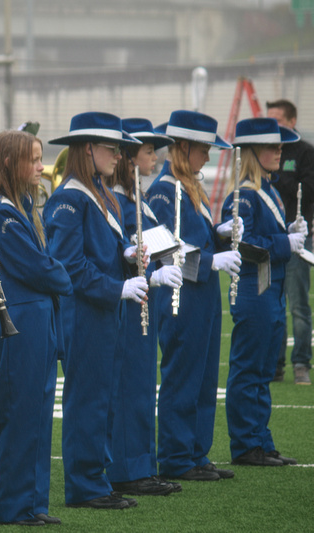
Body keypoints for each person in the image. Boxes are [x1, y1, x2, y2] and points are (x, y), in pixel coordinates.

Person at [43, 111, 148, 510]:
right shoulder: (70, 197)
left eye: (121, 149)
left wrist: (126, 256)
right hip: (84, 315)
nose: (119, 156)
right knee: (87, 398)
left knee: (103, 396)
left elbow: (97, 253)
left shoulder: (101, 193)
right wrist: (119, 285)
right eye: (112, 148)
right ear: (87, 149)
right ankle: (84, 485)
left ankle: (96, 477)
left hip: (104, 312)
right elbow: (68, 266)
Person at [0, 129, 72, 526]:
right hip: (21, 322)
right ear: (8, 163)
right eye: (33, 159)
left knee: (37, 413)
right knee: (20, 416)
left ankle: (33, 503)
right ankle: (13, 506)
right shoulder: (1, 211)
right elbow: (39, 268)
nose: (40, 166)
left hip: (37, 319)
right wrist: (62, 276)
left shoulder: (20, 206)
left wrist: (55, 274)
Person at [146, 110, 241, 482]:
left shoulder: (190, 187)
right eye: (203, 149)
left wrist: (219, 233)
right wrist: (210, 260)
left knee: (203, 377)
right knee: (183, 374)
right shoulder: (165, 189)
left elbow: (194, 236)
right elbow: (164, 248)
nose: (208, 156)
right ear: (182, 147)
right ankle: (176, 456)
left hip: (203, 294)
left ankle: (196, 452)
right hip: (181, 294)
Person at [105, 118, 183, 497]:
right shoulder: (118, 200)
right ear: (129, 158)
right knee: (128, 386)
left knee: (141, 386)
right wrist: (150, 274)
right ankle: (126, 468)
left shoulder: (137, 198)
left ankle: (142, 463)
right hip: (130, 301)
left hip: (145, 302)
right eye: (149, 150)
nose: (154, 157)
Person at [221, 117, 303, 467]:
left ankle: (261, 439)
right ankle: (245, 444)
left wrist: (291, 230)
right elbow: (243, 244)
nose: (279, 151)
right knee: (248, 368)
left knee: (265, 369)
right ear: (253, 151)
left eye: (280, 146)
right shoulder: (242, 195)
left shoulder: (269, 190)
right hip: (254, 288)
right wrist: (286, 241)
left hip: (272, 287)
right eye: (272, 146)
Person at [267, 99, 314, 385]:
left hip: (297, 238)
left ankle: (301, 362)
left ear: (293, 121)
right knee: (274, 303)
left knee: (297, 304)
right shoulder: (268, 151)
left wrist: (276, 179)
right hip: (273, 238)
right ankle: (275, 364)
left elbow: (308, 191)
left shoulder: (305, 152)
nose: (274, 126)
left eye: (279, 120)